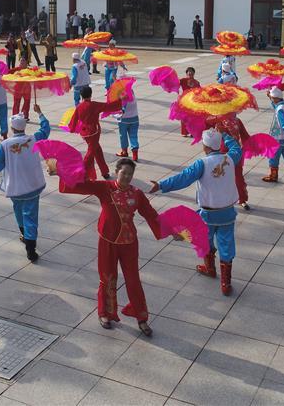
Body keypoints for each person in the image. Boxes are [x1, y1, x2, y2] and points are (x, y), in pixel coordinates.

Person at [61, 158, 164, 335]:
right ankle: (105, 313)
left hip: (129, 243)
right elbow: (81, 185)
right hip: (107, 241)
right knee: (107, 278)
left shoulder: (137, 194)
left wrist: (171, 231)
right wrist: (63, 172)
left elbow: (151, 215)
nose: (127, 177)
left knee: (133, 280)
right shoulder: (104, 188)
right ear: (116, 171)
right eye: (124, 173)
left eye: (130, 174)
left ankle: (141, 317)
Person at [150, 128, 241, 295]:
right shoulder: (230, 157)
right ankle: (225, 284)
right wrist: (227, 135)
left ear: (205, 147)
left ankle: (210, 269)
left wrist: (161, 185)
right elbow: (237, 149)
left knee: (205, 240)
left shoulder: (202, 164)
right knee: (226, 245)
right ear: (219, 145)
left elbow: (183, 178)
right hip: (227, 212)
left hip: (208, 213)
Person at [0, 105, 50, 262]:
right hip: (32, 186)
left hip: (16, 188)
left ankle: (24, 234)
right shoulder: (34, 138)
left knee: (19, 211)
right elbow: (46, 128)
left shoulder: (5, 145)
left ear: (12, 128)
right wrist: (40, 113)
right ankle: (30, 249)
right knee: (30, 216)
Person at [68, 86, 123, 181]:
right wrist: (119, 99)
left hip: (84, 133)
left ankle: (104, 171)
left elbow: (73, 120)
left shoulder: (79, 107)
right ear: (91, 94)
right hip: (94, 132)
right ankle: (81, 172)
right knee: (90, 153)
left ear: (81, 95)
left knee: (97, 150)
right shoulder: (94, 105)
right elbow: (108, 106)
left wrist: (72, 128)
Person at [263, 87, 284, 188]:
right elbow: (275, 105)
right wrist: (270, 97)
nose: (272, 99)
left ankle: (274, 175)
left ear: (277, 98)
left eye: (273, 97)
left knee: (274, 157)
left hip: (279, 138)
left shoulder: (280, 110)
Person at [113, 76, 140, 161]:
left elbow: (119, 102)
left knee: (123, 136)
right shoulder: (131, 92)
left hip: (124, 119)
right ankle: (135, 154)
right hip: (135, 118)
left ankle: (124, 151)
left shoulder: (122, 94)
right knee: (133, 136)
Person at [179, 67, 200, 137]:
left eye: (191, 72)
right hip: (184, 101)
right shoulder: (183, 80)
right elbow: (175, 83)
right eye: (188, 72)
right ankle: (184, 132)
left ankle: (192, 132)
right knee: (184, 117)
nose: (190, 73)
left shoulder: (197, 82)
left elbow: (200, 92)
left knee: (192, 118)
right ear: (186, 73)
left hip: (192, 102)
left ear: (194, 73)